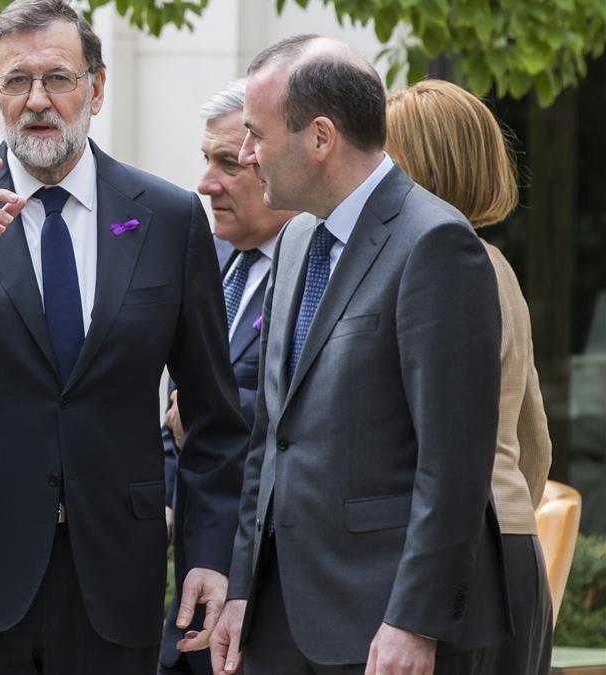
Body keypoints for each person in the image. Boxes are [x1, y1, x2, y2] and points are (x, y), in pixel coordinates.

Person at [0, 1, 250, 672]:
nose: (38, 100)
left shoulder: (169, 219)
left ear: (96, 87)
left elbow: (214, 417)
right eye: (16, 80)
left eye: (58, 78)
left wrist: (209, 553)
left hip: (112, 582)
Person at [201, 36, 510, 674]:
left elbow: (453, 464)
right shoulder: (295, 241)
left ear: (320, 137)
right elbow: (269, 441)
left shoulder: (435, 244)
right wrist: (241, 590)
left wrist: (414, 621)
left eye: (256, 135)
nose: (248, 154)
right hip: (278, 620)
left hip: (382, 626)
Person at [385, 78, 554, 674]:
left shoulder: (436, 265)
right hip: (512, 547)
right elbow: (534, 441)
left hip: (463, 563)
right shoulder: (497, 265)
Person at [160, 77, 298, 675]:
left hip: (270, 596)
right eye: (204, 160)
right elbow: (170, 409)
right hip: (188, 580)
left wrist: (215, 418)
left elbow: (311, 412)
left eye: (228, 163)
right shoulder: (203, 257)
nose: (205, 183)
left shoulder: (320, 270)